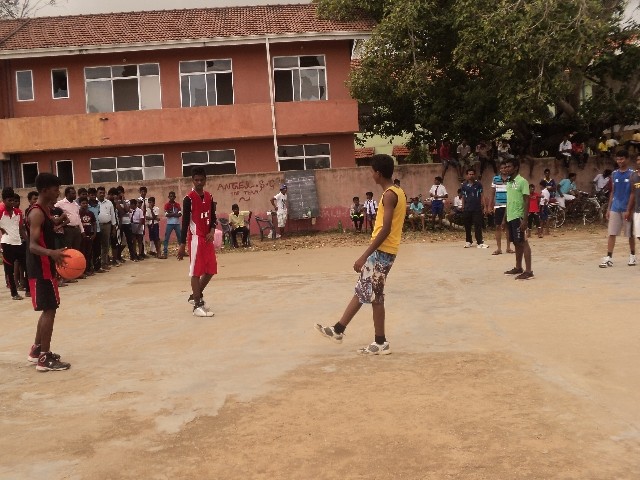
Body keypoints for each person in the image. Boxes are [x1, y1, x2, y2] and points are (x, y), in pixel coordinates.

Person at [314, 154, 407, 355]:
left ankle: (380, 342)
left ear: (378, 173)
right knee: (363, 290)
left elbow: (386, 229)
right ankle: (338, 330)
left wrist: (364, 255)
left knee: (376, 296)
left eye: (372, 171)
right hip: (384, 251)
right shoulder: (398, 191)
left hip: (383, 251)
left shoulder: (389, 195)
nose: (371, 175)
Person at [25, 173, 71, 371]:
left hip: (45, 267)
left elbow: (48, 230)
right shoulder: (36, 213)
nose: (58, 192)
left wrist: (60, 222)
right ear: (44, 190)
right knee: (50, 310)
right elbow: (33, 246)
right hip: (40, 268)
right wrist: (51, 253)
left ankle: (37, 350)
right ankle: (44, 358)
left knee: (47, 308)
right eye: (55, 189)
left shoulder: (45, 210)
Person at [177, 166, 218, 317]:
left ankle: (195, 296)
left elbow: (213, 217)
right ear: (193, 181)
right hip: (195, 238)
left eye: (201, 180)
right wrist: (182, 244)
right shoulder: (188, 199)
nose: (199, 182)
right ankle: (197, 305)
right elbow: (185, 223)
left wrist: (212, 231)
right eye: (196, 180)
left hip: (207, 238)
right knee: (195, 271)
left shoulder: (209, 196)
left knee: (210, 270)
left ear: (205, 180)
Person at [600, 150, 635, 268]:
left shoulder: (632, 174)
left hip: (627, 208)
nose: (620, 161)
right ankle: (609, 257)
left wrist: (629, 209)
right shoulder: (614, 174)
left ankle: (632, 255)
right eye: (618, 159)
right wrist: (608, 208)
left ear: (627, 159)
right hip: (615, 207)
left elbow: (633, 193)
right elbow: (612, 192)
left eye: (622, 158)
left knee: (629, 234)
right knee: (612, 233)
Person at [503, 158, 533, 279]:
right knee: (516, 242)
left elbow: (527, 200)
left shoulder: (522, 181)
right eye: (505, 167)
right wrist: (505, 217)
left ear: (515, 168)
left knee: (523, 242)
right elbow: (509, 200)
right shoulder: (509, 183)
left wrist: (525, 219)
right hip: (511, 216)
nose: (506, 169)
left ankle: (529, 271)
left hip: (519, 216)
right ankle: (518, 267)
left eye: (509, 166)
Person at [1, 187, 30, 299]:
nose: (12, 203)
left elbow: (21, 229)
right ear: (4, 200)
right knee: (10, 271)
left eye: (13, 200)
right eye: (9, 200)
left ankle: (28, 291)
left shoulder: (18, 212)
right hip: (7, 243)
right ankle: (14, 293)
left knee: (27, 267)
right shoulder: (1, 211)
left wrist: (28, 241)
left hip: (18, 243)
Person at [489, 161, 513, 255]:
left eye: (505, 168)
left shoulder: (511, 179)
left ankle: (508, 247)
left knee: (508, 226)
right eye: (502, 168)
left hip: (509, 205)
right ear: (500, 169)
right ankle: (499, 248)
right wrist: (490, 205)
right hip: (498, 205)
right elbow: (492, 193)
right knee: (498, 226)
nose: (504, 169)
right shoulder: (495, 179)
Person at [461, 168, 488, 248]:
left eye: (472, 174)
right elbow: (463, 196)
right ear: (467, 175)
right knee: (467, 225)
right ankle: (468, 241)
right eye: (469, 174)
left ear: (475, 175)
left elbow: (482, 195)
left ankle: (479, 242)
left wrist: (485, 207)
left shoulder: (478, 184)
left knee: (478, 225)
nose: (471, 176)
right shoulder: (464, 185)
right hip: (467, 208)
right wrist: (462, 206)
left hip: (477, 208)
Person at [54, 186, 82, 252]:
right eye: (73, 193)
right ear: (67, 194)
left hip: (77, 229)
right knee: (67, 249)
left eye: (75, 193)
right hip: (68, 229)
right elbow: (53, 210)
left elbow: (78, 217)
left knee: (76, 250)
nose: (75, 195)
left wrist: (82, 230)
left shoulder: (76, 204)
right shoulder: (60, 203)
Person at [96, 186, 116, 271]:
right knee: (97, 245)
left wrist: (114, 228)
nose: (102, 194)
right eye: (100, 193)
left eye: (103, 193)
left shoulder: (109, 203)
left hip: (107, 226)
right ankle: (96, 265)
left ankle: (104, 263)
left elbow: (113, 215)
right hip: (97, 226)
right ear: (97, 193)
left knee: (106, 245)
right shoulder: (94, 203)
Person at [78, 196, 96, 277]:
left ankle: (88, 269)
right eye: (83, 203)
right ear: (80, 204)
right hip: (81, 236)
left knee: (89, 253)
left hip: (89, 235)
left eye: (86, 203)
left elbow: (94, 223)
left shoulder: (90, 213)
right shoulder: (78, 213)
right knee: (82, 253)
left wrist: (94, 233)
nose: (85, 205)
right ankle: (82, 270)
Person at [163, 191, 182, 258]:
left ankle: (181, 251)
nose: (172, 197)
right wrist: (174, 214)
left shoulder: (177, 205)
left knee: (180, 238)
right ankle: (165, 252)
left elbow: (180, 214)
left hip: (177, 224)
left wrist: (171, 214)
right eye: (170, 196)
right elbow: (166, 215)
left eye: (173, 196)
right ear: (169, 197)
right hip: (169, 224)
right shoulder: (167, 205)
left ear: (175, 197)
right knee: (166, 238)